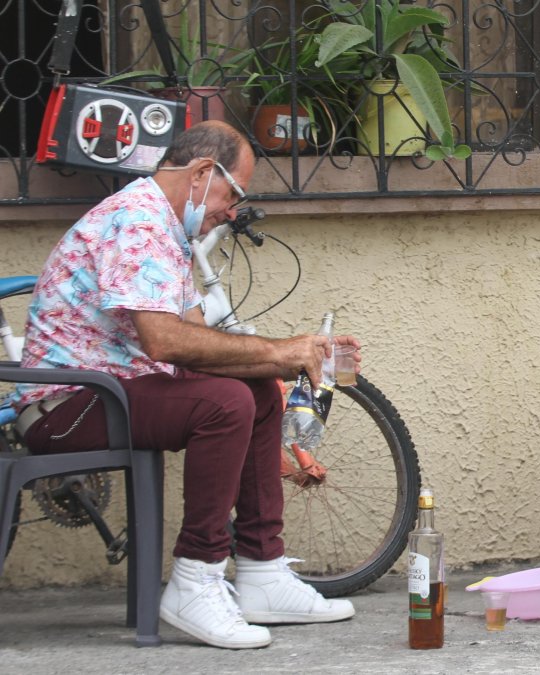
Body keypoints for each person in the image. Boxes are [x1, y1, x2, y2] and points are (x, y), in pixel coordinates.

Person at [13, 121, 359, 650]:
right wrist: (275, 350)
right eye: (233, 192)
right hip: (66, 406)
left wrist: (286, 360)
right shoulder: (136, 220)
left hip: (111, 393)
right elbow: (164, 342)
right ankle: (196, 578)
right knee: (221, 403)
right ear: (201, 174)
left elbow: (199, 340)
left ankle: (262, 571)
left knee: (259, 391)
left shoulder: (167, 229)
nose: (233, 210)